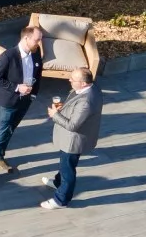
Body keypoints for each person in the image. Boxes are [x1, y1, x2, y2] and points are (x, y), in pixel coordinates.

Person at [0, 24, 44, 189]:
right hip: (8, 102)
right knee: (1, 135)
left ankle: (0, 157)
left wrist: (32, 95)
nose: (39, 42)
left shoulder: (36, 54)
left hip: (24, 102)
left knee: (10, 131)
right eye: (37, 39)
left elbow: (38, 75)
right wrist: (17, 88)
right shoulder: (8, 56)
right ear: (26, 38)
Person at [41, 67, 103, 209]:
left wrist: (55, 115)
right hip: (75, 138)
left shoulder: (86, 102)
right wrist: (65, 108)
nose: (69, 80)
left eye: (73, 79)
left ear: (83, 83)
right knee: (66, 164)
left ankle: (61, 200)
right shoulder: (91, 89)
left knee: (68, 169)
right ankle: (57, 182)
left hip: (73, 141)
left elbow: (72, 125)